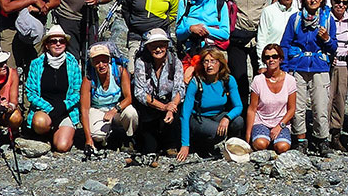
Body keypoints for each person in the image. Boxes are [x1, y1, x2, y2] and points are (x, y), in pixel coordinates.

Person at [213, 0, 276, 107]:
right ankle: (240, 114)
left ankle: (261, 111)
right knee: (238, 76)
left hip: (260, 36)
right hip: (237, 36)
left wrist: (272, 11)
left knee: (261, 75)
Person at [280, 0, 337, 156]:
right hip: (298, 67)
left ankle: (322, 140)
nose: (312, 0)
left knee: (320, 106)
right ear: (303, 0)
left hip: (319, 67)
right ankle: (301, 140)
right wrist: (285, 67)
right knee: (297, 107)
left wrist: (327, 39)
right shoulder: (295, 19)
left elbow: (334, 47)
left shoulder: (328, 19)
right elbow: (285, 43)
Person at [177, 47, 244, 161]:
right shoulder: (196, 82)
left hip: (219, 115)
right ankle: (200, 145)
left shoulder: (228, 80)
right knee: (216, 131)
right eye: (206, 61)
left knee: (238, 121)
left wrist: (227, 118)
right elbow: (185, 113)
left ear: (220, 63)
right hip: (198, 117)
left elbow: (239, 106)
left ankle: (232, 148)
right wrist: (185, 144)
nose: (209, 65)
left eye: (213, 61)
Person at [23, 26, 81, 153]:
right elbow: (31, 93)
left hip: (66, 110)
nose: (58, 44)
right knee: (40, 122)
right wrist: (49, 108)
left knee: (62, 146)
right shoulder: (36, 64)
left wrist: (64, 106)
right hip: (44, 110)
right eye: (53, 41)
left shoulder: (73, 63)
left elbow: (77, 92)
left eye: (61, 41)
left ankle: (58, 132)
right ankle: (46, 133)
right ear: (47, 45)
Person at [131, 28, 185, 161]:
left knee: (176, 113)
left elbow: (179, 88)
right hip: (150, 104)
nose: (158, 49)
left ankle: (170, 143)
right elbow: (140, 92)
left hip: (169, 103)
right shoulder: (141, 63)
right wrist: (163, 107)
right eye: (154, 46)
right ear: (148, 47)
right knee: (150, 148)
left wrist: (171, 107)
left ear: (167, 46)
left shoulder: (175, 62)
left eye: (161, 45)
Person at [79, 43, 137, 150]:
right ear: (92, 63)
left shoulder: (119, 72)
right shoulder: (88, 80)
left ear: (109, 59)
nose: (101, 65)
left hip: (116, 108)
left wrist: (114, 110)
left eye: (104, 60)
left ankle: (128, 138)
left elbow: (128, 98)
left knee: (131, 114)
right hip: (98, 109)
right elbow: (84, 110)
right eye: (97, 62)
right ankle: (107, 138)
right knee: (97, 136)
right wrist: (88, 139)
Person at [246, 44, 297, 154]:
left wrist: (280, 126)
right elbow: (252, 109)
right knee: (260, 144)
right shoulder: (258, 80)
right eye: (267, 57)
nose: (271, 60)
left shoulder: (290, 80)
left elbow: (292, 109)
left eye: (274, 56)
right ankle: (263, 139)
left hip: (281, 122)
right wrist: (248, 135)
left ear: (280, 59)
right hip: (261, 121)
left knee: (282, 147)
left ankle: (273, 141)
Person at [175, 0, 231, 65]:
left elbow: (225, 34)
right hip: (191, 51)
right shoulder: (185, 3)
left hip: (214, 51)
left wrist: (203, 29)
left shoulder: (219, 3)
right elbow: (179, 34)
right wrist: (190, 29)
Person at [327, 0, 348, 152]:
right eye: (337, 1)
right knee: (327, 99)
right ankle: (322, 134)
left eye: (344, 2)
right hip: (328, 65)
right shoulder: (326, 18)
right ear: (331, 2)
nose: (340, 5)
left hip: (344, 65)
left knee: (340, 99)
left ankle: (335, 134)